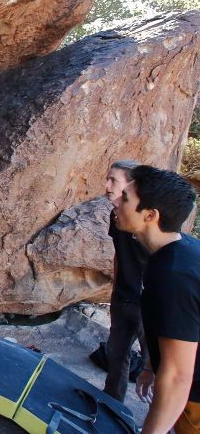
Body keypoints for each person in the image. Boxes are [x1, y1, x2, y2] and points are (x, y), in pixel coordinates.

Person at [112, 165, 199, 434]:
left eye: (125, 198)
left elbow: (177, 377)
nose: (115, 200)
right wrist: (151, 367)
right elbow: (173, 328)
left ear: (151, 215)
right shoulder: (176, 249)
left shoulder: (174, 276)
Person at [103, 160, 149, 402]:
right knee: (117, 354)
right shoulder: (115, 215)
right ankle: (111, 405)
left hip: (147, 303)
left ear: (130, 186)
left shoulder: (147, 220)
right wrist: (115, 286)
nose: (107, 185)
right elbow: (119, 252)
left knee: (156, 363)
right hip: (122, 296)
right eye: (107, 179)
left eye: (114, 180)